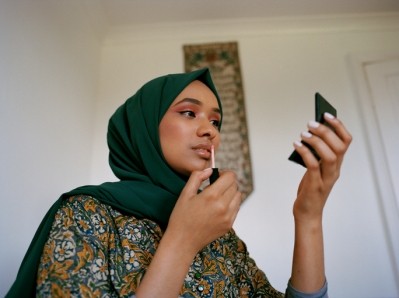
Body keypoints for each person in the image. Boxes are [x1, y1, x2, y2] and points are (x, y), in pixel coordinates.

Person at [6, 68, 352, 297]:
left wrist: (308, 216)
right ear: (143, 127)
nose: (210, 131)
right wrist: (182, 241)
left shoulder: (221, 237)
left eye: (216, 121)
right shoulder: (87, 213)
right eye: (189, 113)